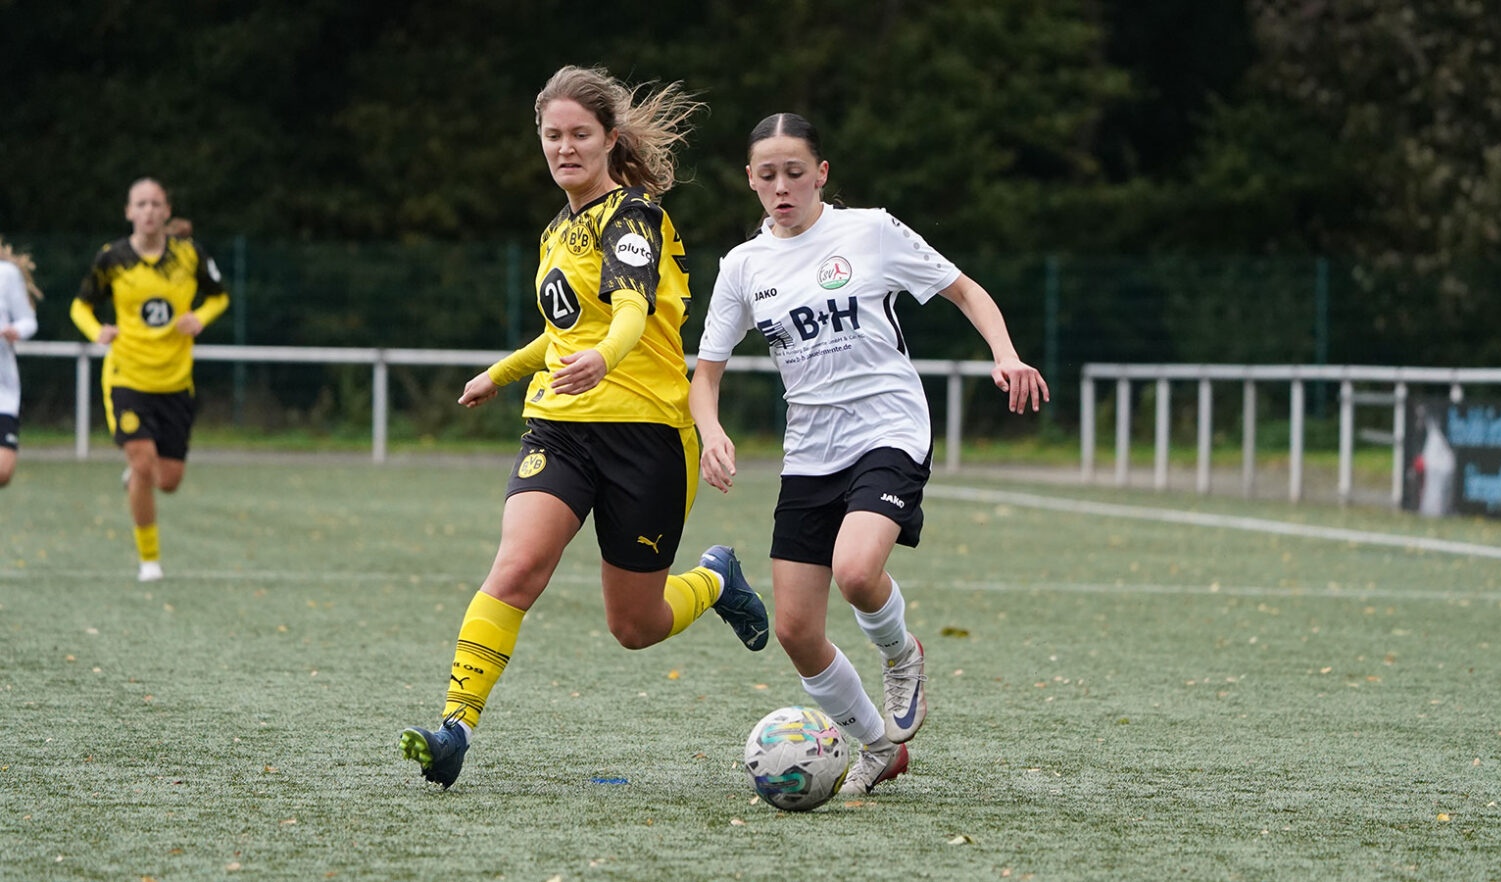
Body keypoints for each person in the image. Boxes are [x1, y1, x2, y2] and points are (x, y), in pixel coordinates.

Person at [398, 65, 770, 790]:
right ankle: (454, 729)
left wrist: (605, 358)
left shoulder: (634, 217)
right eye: (552, 135)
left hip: (647, 436)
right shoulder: (556, 230)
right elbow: (561, 334)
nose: (564, 147)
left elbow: (628, 311)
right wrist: (501, 374)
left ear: (609, 139)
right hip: (560, 428)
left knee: (635, 626)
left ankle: (716, 579)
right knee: (517, 568)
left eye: (579, 134)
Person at [690, 112, 1050, 796]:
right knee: (796, 630)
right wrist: (711, 432)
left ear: (821, 173)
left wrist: (1005, 354)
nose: (782, 186)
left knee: (857, 572)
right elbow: (705, 375)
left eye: (795, 172)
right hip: (810, 452)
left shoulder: (870, 231)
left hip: (889, 427)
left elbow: (964, 289)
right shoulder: (742, 267)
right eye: (768, 175)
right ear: (750, 182)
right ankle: (879, 748)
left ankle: (901, 654)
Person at [71, 179, 229, 581]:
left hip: (175, 381)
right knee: (143, 463)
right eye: (140, 204)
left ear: (166, 211)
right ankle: (150, 562)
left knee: (169, 481)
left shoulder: (189, 255)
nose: (149, 211)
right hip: (127, 376)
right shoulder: (112, 259)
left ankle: (137, 475)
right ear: (129, 212)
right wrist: (97, 331)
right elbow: (80, 307)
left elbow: (219, 297)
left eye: (156, 203)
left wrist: (200, 318)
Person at [0, 237, 42, 488]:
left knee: (3, 471)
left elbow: (28, 321)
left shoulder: (6, 274)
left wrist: (15, 330)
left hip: (3, 390)